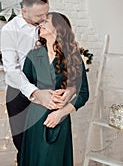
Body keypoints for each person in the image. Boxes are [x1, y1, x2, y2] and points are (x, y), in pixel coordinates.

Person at [1, 0, 75, 163]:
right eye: (38, 16)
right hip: (20, 94)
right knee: (24, 147)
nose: (44, 19)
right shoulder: (9, 30)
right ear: (24, 10)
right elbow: (12, 70)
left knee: (46, 148)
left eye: (46, 13)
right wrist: (35, 93)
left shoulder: (46, 26)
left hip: (49, 92)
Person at [19, 12, 89, 166]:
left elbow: (83, 94)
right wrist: (38, 95)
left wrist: (60, 114)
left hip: (57, 120)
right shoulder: (33, 55)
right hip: (34, 121)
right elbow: (24, 89)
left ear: (59, 28)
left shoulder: (73, 57)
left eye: (45, 21)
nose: (40, 24)